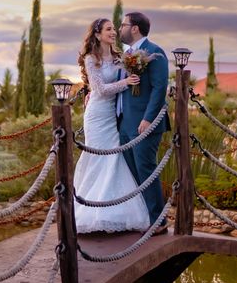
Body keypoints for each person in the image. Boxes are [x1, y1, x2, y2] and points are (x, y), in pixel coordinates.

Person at [73, 18, 151, 233]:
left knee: (114, 157)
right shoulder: (91, 59)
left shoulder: (120, 57)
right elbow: (99, 90)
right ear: (97, 34)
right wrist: (125, 83)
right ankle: (91, 213)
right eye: (109, 29)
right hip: (97, 116)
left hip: (114, 115)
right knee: (98, 157)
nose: (114, 32)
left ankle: (114, 213)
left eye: (115, 29)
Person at [117, 12, 170, 235]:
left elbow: (159, 88)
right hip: (125, 124)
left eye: (123, 25)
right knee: (132, 173)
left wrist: (148, 119)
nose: (120, 29)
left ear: (135, 28)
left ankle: (158, 220)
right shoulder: (124, 55)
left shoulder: (155, 52)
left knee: (146, 169)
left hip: (145, 123)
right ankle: (142, 217)